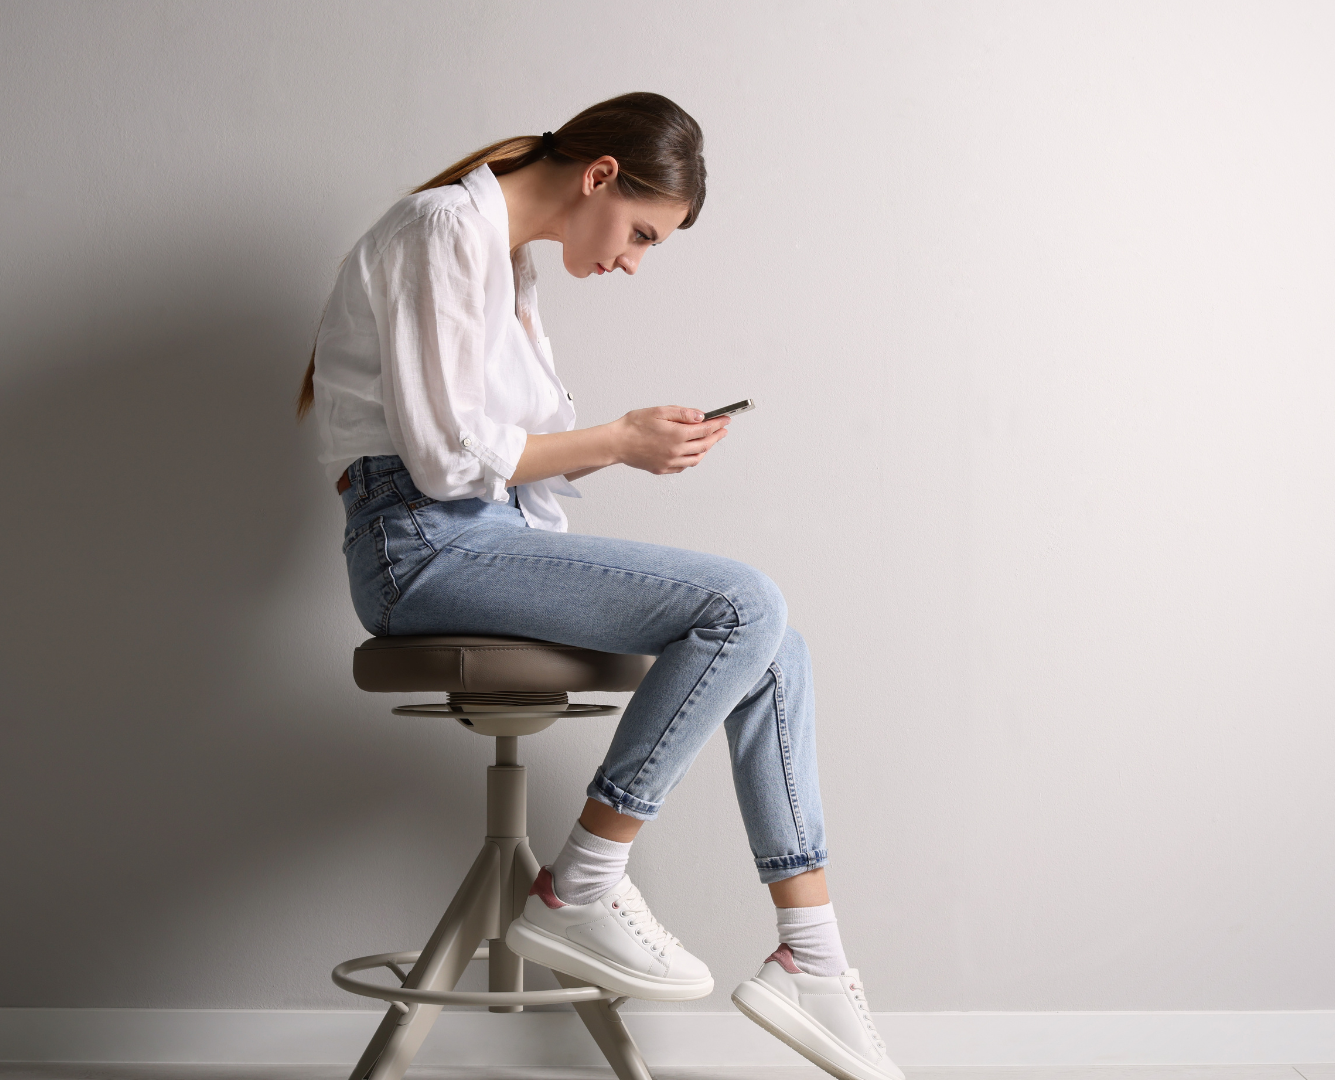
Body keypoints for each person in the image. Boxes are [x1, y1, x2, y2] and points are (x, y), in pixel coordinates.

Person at [297, 92, 900, 1080]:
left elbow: (510, 459)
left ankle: (814, 961)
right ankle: (581, 883)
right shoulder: (442, 228)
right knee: (743, 600)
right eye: (643, 234)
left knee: (772, 637)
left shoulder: (509, 265)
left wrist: (634, 441)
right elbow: (450, 463)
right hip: (418, 546)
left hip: (474, 535)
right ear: (601, 176)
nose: (631, 260)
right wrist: (618, 439)